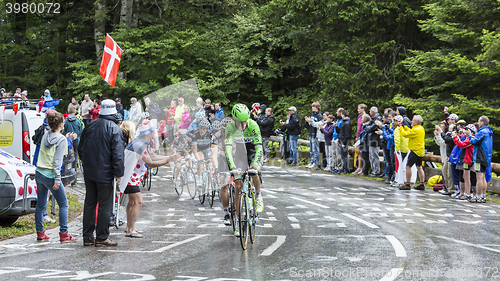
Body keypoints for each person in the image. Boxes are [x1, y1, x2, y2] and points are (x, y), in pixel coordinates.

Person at [79, 99, 124, 247]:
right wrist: (119, 173)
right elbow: (118, 154)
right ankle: (102, 236)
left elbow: (81, 148)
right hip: (105, 173)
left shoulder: (89, 126)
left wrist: (85, 164)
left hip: (89, 171)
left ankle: (87, 236)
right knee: (105, 204)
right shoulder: (114, 128)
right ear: (113, 112)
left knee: (90, 203)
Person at [123, 121, 178, 238]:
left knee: (132, 202)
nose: (155, 132)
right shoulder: (141, 144)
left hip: (131, 176)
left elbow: (152, 156)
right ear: (150, 132)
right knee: (138, 202)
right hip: (130, 177)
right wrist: (169, 160)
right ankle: (130, 230)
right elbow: (151, 163)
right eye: (154, 130)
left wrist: (169, 157)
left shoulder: (142, 141)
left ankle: (129, 227)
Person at [35, 111, 78, 243]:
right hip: (50, 175)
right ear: (61, 124)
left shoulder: (45, 135)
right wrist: (58, 180)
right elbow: (57, 162)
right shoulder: (61, 140)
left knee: (41, 204)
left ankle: (40, 232)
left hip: (39, 172)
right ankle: (64, 234)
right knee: (64, 204)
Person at [225, 104, 264, 236]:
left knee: (255, 172)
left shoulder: (253, 125)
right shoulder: (230, 127)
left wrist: (255, 164)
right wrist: (232, 166)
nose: (243, 125)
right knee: (238, 185)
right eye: (240, 122)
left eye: (245, 121)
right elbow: (228, 149)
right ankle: (237, 218)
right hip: (240, 155)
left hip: (253, 153)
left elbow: (259, 148)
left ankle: (258, 195)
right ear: (234, 119)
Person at [212, 117, 234, 225]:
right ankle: (226, 212)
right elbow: (214, 155)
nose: (226, 133)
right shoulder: (216, 137)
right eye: (224, 131)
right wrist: (216, 168)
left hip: (235, 158)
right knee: (224, 185)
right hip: (222, 159)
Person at [468, 116, 493, 203]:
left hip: (479, 157)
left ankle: (478, 196)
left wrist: (470, 136)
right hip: (487, 157)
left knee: (479, 177)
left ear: (482, 123)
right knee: (483, 177)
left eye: (479, 122)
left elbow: (474, 142)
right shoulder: (489, 132)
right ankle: (483, 196)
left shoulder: (482, 132)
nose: (478, 123)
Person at [398, 115, 426, 190]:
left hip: (415, 151)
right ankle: (422, 184)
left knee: (408, 167)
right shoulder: (420, 128)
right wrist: (405, 127)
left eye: (413, 120)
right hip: (420, 150)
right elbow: (410, 131)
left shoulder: (416, 130)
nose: (412, 121)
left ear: (416, 122)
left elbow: (405, 134)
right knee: (419, 167)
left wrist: (400, 127)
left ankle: (407, 184)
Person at [453, 124, 476, 200]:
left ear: (470, 131)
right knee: (465, 176)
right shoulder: (467, 138)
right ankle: (466, 193)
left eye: (466, 129)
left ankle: (468, 193)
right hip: (466, 159)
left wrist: (454, 137)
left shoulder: (470, 139)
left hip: (468, 159)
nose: (464, 131)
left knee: (467, 177)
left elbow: (461, 145)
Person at [63, 106, 83, 185]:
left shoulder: (66, 121)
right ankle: (74, 179)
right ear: (75, 112)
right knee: (75, 157)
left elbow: (64, 130)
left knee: (67, 158)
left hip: (68, 141)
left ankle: (66, 177)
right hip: (76, 140)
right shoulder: (78, 121)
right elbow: (80, 131)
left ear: (68, 111)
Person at [192, 120, 212, 185]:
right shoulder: (196, 135)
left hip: (207, 149)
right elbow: (195, 150)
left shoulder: (210, 134)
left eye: (203, 129)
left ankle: (209, 184)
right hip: (199, 149)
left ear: (207, 129)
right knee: (201, 161)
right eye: (200, 128)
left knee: (210, 166)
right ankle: (199, 178)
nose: (201, 130)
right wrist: (198, 160)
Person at [434, 121, 452, 193]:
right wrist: (436, 136)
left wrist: (438, 135)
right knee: (444, 172)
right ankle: (445, 186)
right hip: (443, 154)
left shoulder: (447, 134)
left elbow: (444, 143)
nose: (441, 125)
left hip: (446, 155)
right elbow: (439, 143)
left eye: (442, 124)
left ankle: (447, 188)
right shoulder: (443, 134)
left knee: (447, 173)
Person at [365, 107, 383, 177]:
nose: (369, 112)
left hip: (375, 139)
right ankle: (373, 170)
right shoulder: (372, 118)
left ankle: (376, 171)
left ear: (373, 111)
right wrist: (369, 128)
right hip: (371, 138)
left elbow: (374, 127)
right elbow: (367, 126)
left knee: (375, 155)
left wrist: (369, 128)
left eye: (370, 111)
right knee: (371, 156)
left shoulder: (378, 118)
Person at [304, 102, 323, 169]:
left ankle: (316, 162)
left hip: (316, 133)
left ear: (317, 108)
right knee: (311, 149)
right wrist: (307, 121)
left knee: (315, 149)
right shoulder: (312, 114)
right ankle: (312, 161)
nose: (312, 108)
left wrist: (312, 121)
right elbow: (310, 124)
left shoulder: (319, 115)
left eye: (314, 107)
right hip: (311, 132)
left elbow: (319, 124)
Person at [353, 104, 367, 174]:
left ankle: (362, 168)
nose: (358, 110)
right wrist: (357, 136)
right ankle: (358, 167)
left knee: (362, 152)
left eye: (359, 108)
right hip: (358, 137)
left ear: (363, 109)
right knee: (358, 152)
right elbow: (358, 127)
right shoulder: (359, 117)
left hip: (363, 137)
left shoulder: (366, 117)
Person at [338, 109, 352, 174]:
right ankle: (344, 168)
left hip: (344, 141)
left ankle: (346, 169)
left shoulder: (347, 123)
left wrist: (344, 142)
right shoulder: (344, 122)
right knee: (343, 156)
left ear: (343, 115)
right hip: (342, 140)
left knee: (345, 156)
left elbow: (347, 134)